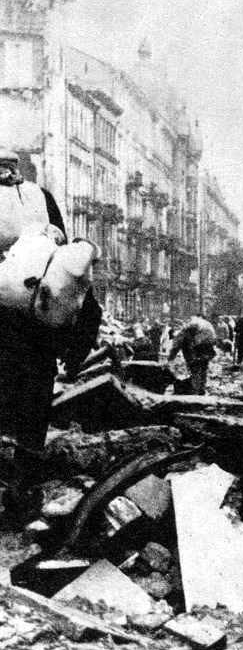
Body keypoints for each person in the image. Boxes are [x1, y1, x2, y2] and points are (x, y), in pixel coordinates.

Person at [0, 151, 101, 523]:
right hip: (39, 330)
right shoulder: (43, 198)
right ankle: (24, 499)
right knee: (33, 414)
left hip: (9, 325)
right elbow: (74, 282)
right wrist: (73, 357)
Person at [167, 314, 217, 394]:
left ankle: (195, 391)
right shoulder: (195, 323)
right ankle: (202, 389)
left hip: (201, 340)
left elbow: (176, 347)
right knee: (203, 367)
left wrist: (169, 359)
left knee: (195, 368)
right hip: (211, 339)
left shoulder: (181, 332)